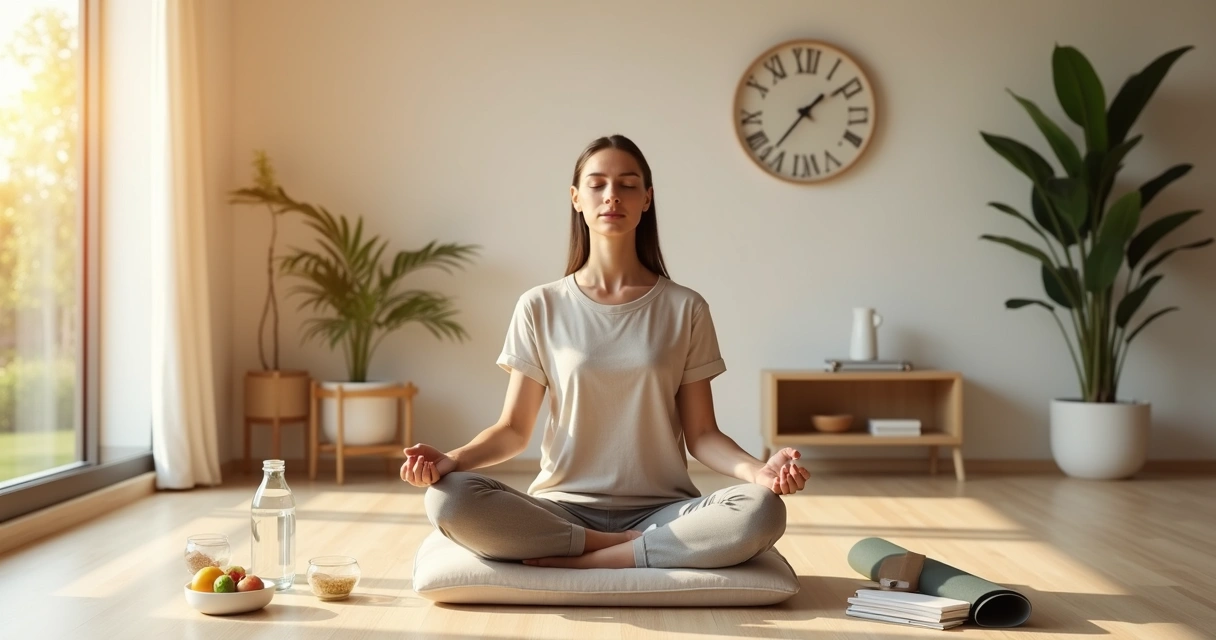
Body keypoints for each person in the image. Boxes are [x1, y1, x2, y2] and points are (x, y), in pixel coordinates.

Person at [401, 134, 810, 570]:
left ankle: (593, 558)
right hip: (562, 508)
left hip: (662, 512)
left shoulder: (685, 307)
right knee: (449, 499)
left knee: (763, 509)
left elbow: (703, 436)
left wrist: (758, 472)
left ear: (647, 198)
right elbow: (513, 430)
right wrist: (452, 460)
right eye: (597, 184)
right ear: (576, 198)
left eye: (628, 184)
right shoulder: (540, 305)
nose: (612, 195)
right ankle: (602, 545)